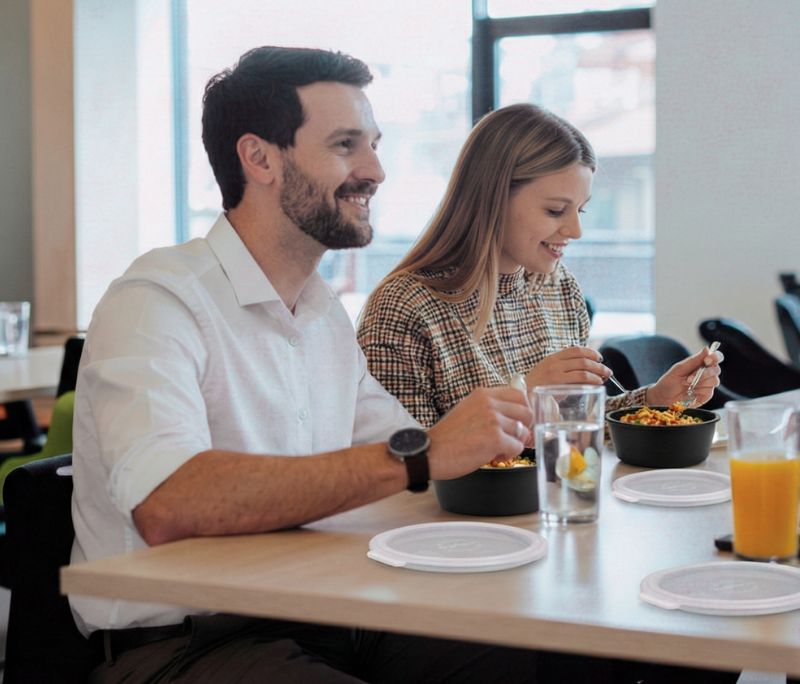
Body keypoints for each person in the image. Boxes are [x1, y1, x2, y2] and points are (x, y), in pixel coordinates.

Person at [70, 48, 735, 684]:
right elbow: (169, 503)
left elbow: (415, 454)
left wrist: (516, 427)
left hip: (334, 610)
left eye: (375, 145)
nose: (376, 171)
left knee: (568, 661)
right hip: (187, 647)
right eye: (344, 145)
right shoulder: (158, 300)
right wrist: (426, 453)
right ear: (258, 158)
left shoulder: (321, 316)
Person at [357, 103, 722, 428]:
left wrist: (654, 401)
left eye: (581, 210)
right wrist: (524, 395)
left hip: (554, 501)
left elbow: (574, 427)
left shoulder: (558, 287)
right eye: (554, 210)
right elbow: (404, 465)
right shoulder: (403, 308)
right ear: (493, 197)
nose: (576, 231)